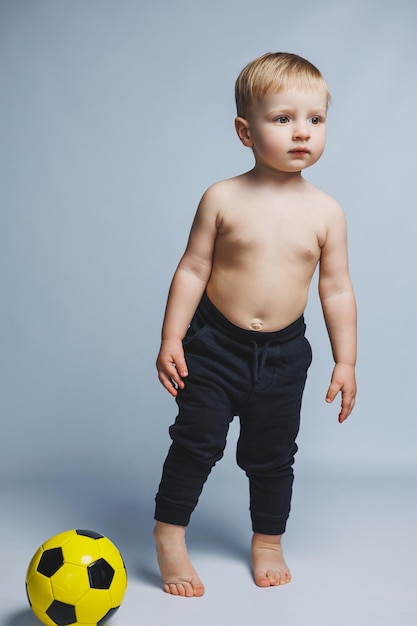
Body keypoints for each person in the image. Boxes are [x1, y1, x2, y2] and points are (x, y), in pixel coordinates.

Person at [153, 52, 357, 597]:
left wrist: (346, 360)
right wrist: (173, 337)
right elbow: (193, 268)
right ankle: (169, 532)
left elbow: (335, 288)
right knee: (196, 443)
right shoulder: (222, 198)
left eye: (315, 119)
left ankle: (267, 539)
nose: (301, 133)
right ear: (245, 131)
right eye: (282, 118)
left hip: (286, 355)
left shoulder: (326, 212)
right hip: (215, 344)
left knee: (272, 455)